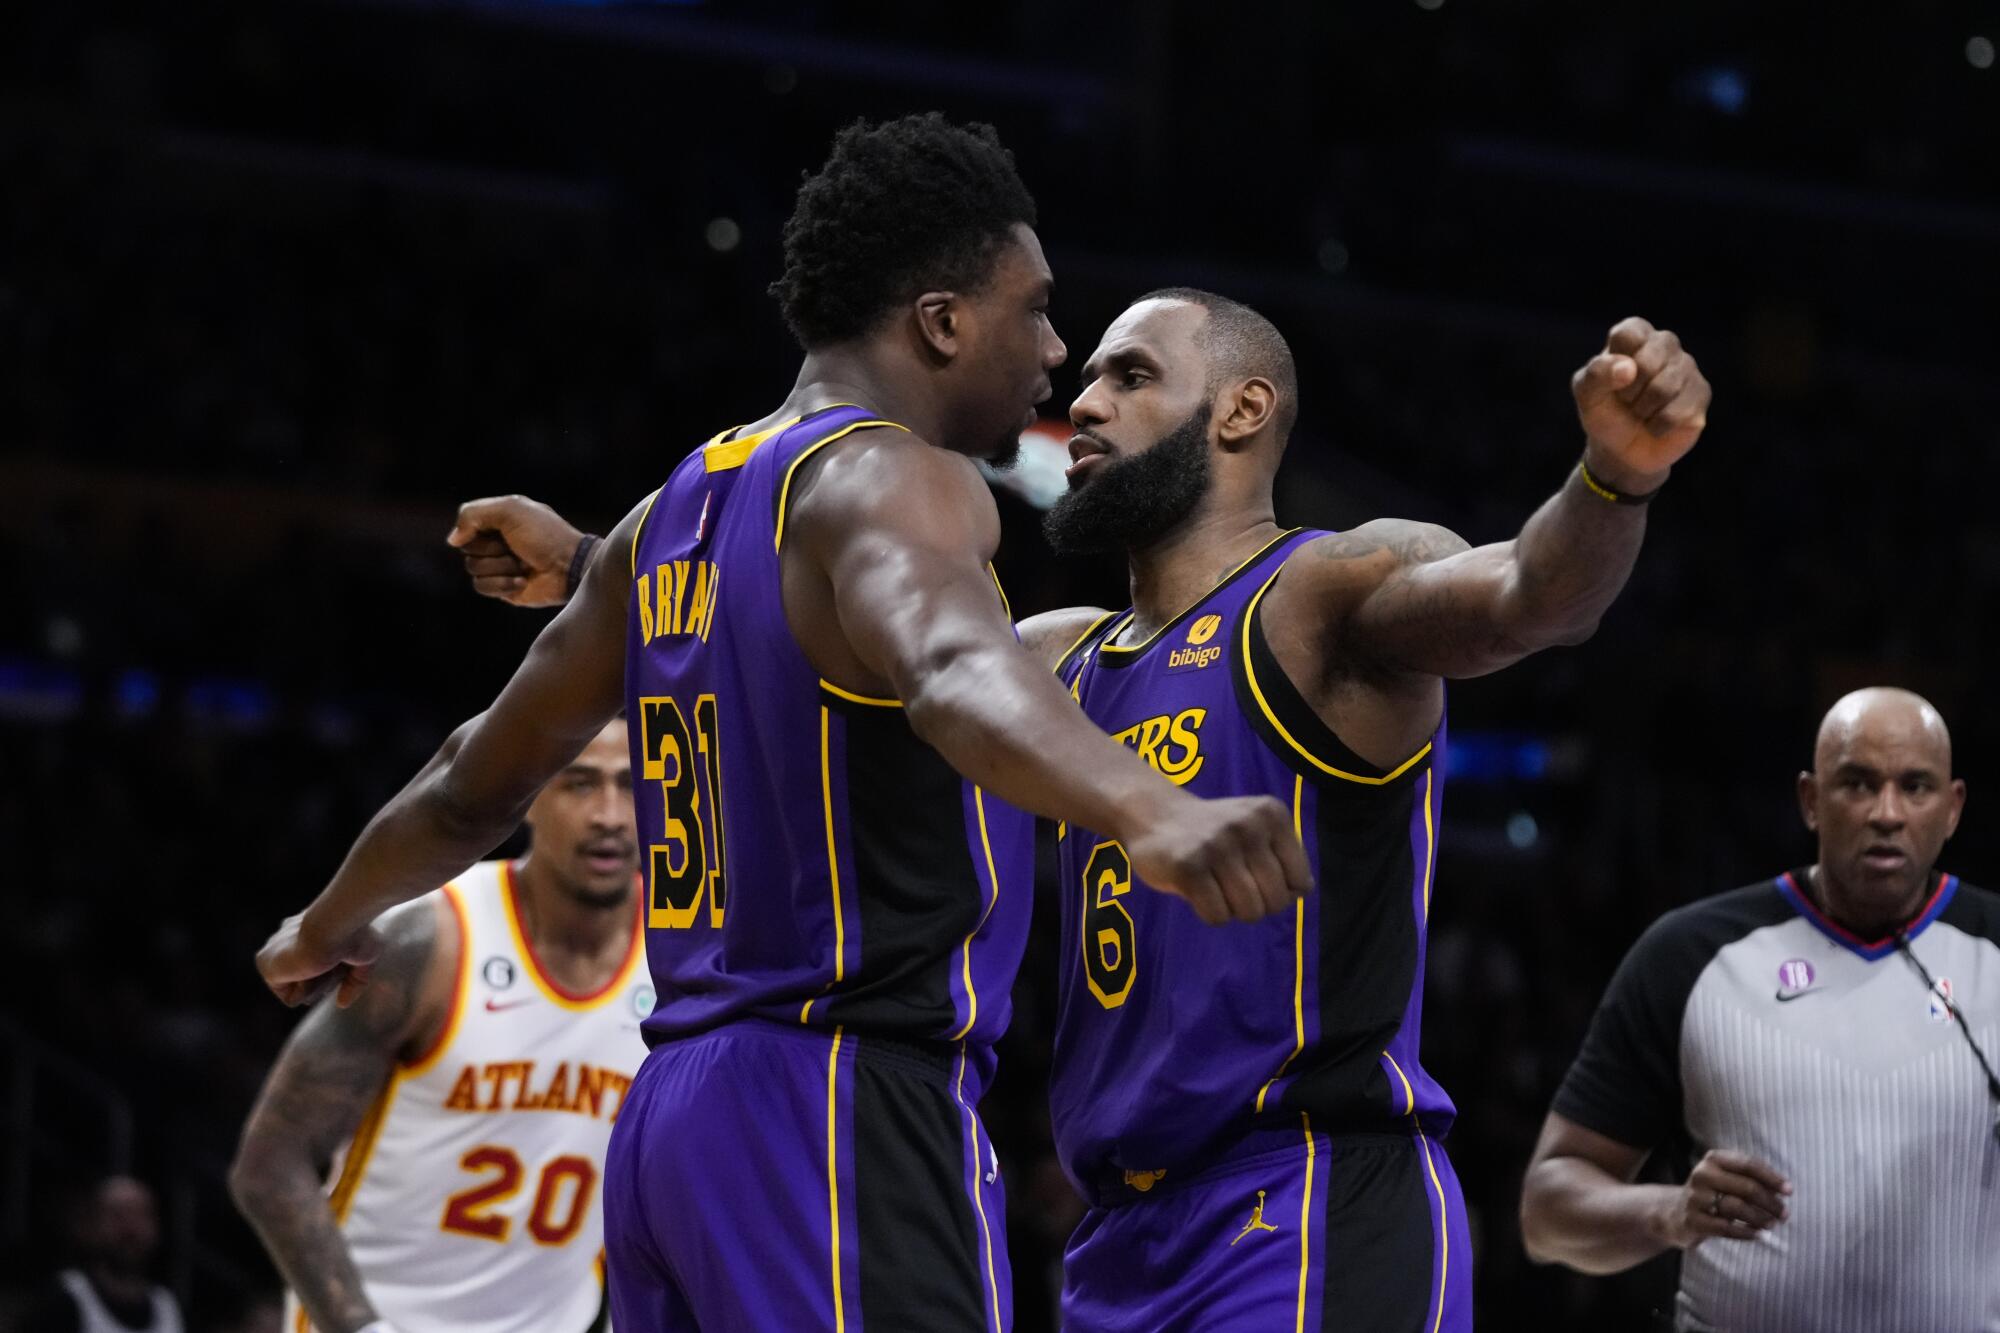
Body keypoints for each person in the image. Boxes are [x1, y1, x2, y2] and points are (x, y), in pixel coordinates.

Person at [457, 288, 1710, 1330]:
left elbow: (1528, 598)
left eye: (1128, 377)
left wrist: (1611, 479)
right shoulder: (1055, 655)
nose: (1085, 406)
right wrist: (590, 564)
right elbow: (828, 625)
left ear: (1241, 409)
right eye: (1088, 377)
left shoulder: (1325, 591)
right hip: (1116, 1232)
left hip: (1305, 1193)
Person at [255, 114, 1306, 1333]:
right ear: (942, 321)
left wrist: (324, 923)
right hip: (837, 1105)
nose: (1057, 349)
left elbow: (464, 783)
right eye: (1036, 308)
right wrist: (1151, 808)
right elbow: (954, 671)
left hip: (666, 1130)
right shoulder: (906, 478)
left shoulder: (671, 515)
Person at [1520, 687, 2000, 1333]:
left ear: (1952, 808)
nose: (1887, 812)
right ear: (1810, 800)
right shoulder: (1688, 955)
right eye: (1857, 784)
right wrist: (1670, 1211)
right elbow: (1547, 1210)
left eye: (1916, 787)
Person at [231, 720, 645, 1333]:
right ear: (530, 795)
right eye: (579, 785)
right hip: (378, 1318)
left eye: (632, 787)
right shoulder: (433, 937)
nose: (609, 814)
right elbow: (269, 1165)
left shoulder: (683, 952)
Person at [18, 1175, 186, 1333]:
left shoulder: (167, 1306)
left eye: (141, 1216)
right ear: (92, 1225)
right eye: (118, 1216)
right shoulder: (64, 1299)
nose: (131, 1230)